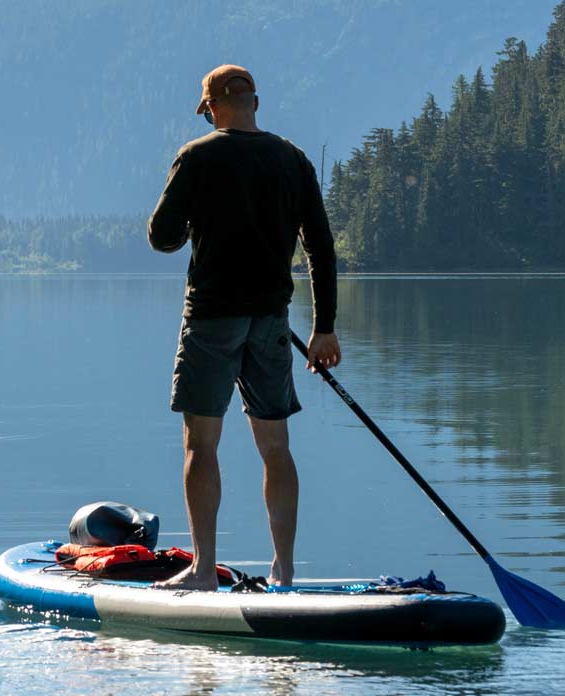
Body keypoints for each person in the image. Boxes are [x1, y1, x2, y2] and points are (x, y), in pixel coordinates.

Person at [146, 64, 342, 590]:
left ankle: (204, 571)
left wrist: (193, 223)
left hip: (212, 318)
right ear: (256, 102)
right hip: (271, 324)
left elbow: (161, 237)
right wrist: (324, 328)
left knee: (200, 446)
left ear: (211, 108)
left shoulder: (197, 156)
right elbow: (320, 246)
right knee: (275, 448)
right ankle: (284, 572)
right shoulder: (292, 159)